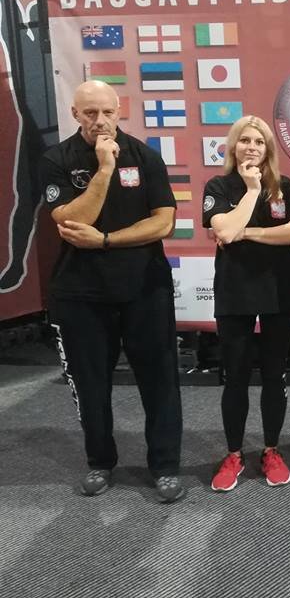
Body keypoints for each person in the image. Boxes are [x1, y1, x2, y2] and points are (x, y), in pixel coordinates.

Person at [40, 80, 183, 503]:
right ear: (75, 114)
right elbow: (72, 220)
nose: (99, 121)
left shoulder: (146, 156)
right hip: (81, 292)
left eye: (106, 112)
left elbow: (163, 222)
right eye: (90, 113)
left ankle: (165, 466)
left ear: (119, 111)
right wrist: (104, 170)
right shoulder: (56, 159)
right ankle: (100, 461)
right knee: (91, 383)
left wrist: (106, 240)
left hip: (144, 288)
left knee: (159, 380)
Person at [202, 116, 290, 492]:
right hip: (235, 291)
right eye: (245, 140)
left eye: (259, 141)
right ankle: (233, 454)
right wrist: (250, 190)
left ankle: (271, 450)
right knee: (236, 376)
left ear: (268, 149)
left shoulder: (285, 186)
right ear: (233, 146)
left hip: (279, 290)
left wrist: (246, 231)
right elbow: (222, 230)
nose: (251, 147)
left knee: (275, 374)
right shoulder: (218, 186)